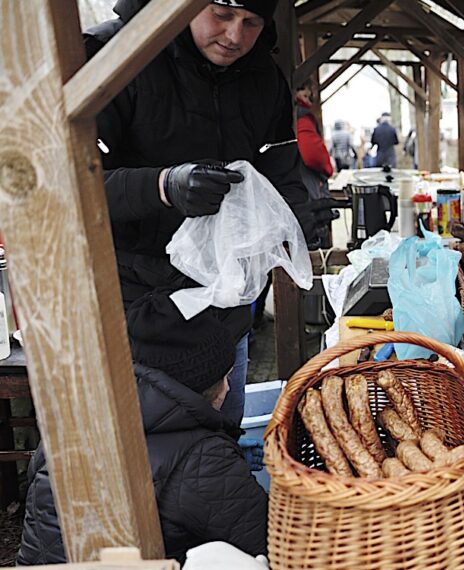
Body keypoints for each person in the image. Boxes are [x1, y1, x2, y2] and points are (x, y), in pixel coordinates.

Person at [83, 0, 331, 426]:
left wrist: (294, 219)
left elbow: (279, 171)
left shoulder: (263, 78)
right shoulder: (113, 56)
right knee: (145, 448)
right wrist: (163, 186)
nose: (235, 36)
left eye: (252, 22)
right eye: (222, 14)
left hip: (221, 306)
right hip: (131, 306)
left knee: (218, 443)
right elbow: (66, 186)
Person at [19, 292, 268, 565]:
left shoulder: (72, 419)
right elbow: (269, 541)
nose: (229, 387)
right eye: (226, 377)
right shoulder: (206, 460)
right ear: (204, 387)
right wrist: (223, 468)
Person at [295, 81, 338, 249]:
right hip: (308, 187)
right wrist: (327, 167)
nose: (307, 98)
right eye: (304, 94)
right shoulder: (302, 117)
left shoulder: (298, 115)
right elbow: (311, 153)